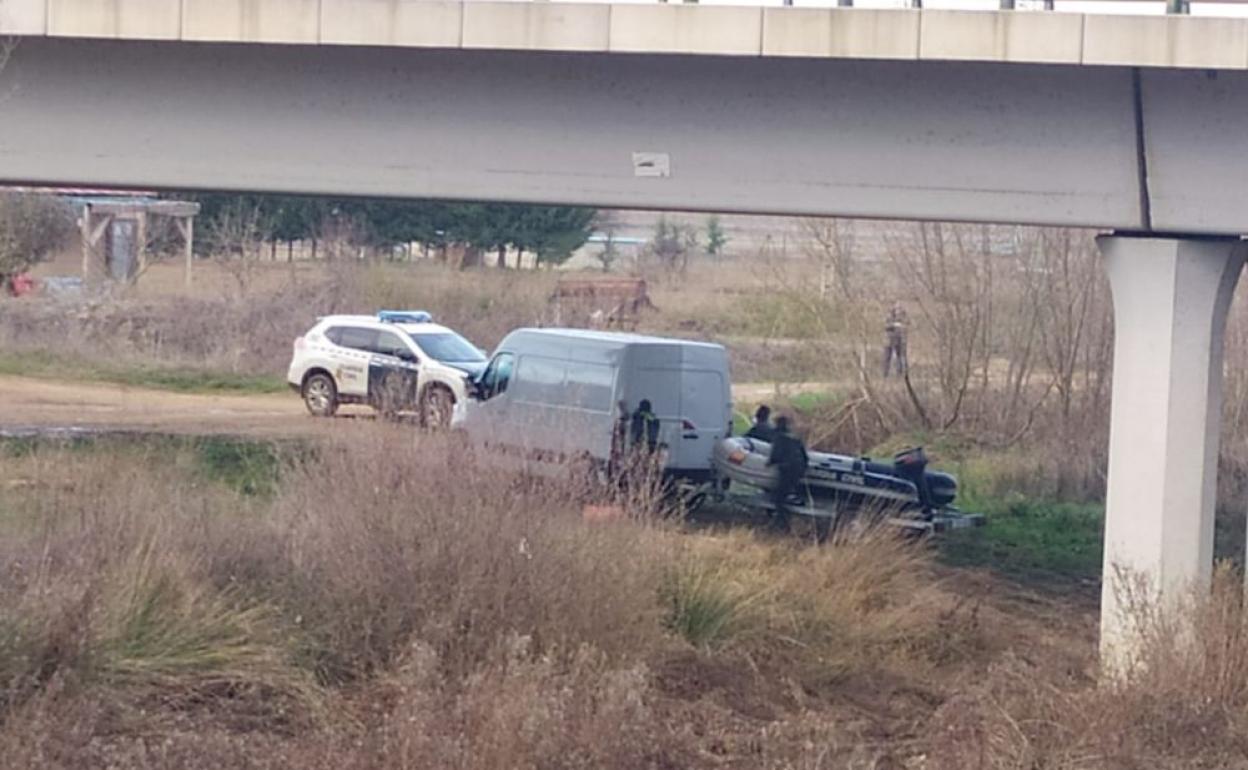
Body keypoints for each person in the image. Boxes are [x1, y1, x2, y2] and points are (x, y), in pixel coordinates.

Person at [766, 415, 808, 533]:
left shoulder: (779, 437)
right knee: (787, 491)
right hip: (799, 469)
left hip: (788, 469)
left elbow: (775, 455)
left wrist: (769, 463)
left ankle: (783, 524)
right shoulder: (794, 437)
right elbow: (805, 456)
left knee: (778, 498)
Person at [882, 301, 909, 378]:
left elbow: (907, 325)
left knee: (900, 357)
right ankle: (885, 374)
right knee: (887, 358)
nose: (898, 310)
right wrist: (894, 325)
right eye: (897, 308)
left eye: (900, 308)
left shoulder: (904, 316)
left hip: (900, 341)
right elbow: (885, 326)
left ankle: (900, 374)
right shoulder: (889, 316)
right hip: (888, 341)